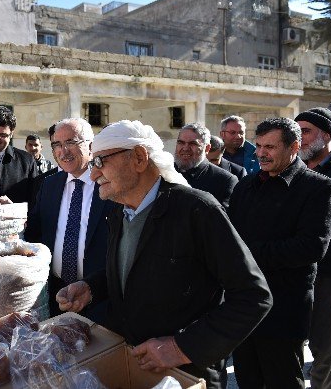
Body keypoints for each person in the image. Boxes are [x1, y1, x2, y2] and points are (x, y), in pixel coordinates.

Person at [56, 120, 272, 388]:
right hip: (133, 363)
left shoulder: (197, 210)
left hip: (186, 373)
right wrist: (92, 287)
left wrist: (180, 348)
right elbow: (136, 266)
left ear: (138, 158)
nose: (92, 174)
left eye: (100, 161)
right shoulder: (119, 210)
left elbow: (254, 297)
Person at [229, 117, 331, 388]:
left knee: (283, 380)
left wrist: (245, 254)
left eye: (271, 147)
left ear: (294, 147)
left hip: (284, 309)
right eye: (258, 146)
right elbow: (230, 235)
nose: (261, 153)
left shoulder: (320, 188)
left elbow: (311, 247)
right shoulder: (246, 186)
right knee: (247, 380)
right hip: (243, 305)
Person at [24, 118, 115, 323]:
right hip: (57, 295)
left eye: (71, 143)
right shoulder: (49, 185)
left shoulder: (110, 184)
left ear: (91, 146)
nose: (63, 151)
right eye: (57, 145)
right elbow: (36, 230)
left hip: (99, 299)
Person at [294, 108, 331, 389]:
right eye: (297, 131)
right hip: (294, 274)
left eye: (306, 131)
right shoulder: (292, 169)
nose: (299, 138)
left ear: (326, 134)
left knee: (326, 354)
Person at [174, 123, 238, 209]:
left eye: (193, 144)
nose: (185, 148)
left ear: (207, 148)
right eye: (181, 143)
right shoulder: (163, 172)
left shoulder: (224, 181)